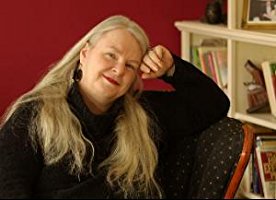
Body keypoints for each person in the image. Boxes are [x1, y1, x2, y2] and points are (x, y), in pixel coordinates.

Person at [0, 15, 229, 198]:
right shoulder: (33, 114)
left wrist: (171, 68)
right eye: (111, 55)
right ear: (85, 54)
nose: (119, 70)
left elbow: (214, 104)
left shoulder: (146, 114)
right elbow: (8, 188)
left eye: (130, 65)